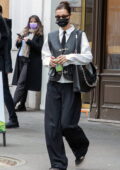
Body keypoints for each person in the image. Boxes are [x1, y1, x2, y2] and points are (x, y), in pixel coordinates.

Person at [42, 1, 93, 170]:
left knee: (67, 124)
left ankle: (81, 145)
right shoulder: (51, 36)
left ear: (70, 16)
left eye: (64, 16)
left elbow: (87, 57)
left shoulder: (79, 35)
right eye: (58, 17)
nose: (61, 19)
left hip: (71, 85)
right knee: (51, 127)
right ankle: (57, 164)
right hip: (54, 84)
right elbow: (44, 56)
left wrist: (69, 58)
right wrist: (50, 61)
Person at [12, 15, 43, 112]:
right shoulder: (25, 32)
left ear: (38, 23)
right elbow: (18, 46)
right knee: (23, 83)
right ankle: (22, 105)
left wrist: (29, 41)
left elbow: (39, 48)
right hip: (21, 58)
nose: (32, 23)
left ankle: (12, 104)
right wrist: (18, 41)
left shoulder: (39, 34)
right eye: (31, 21)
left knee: (21, 83)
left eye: (34, 21)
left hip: (29, 61)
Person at [0, 5, 19, 128]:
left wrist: (7, 67)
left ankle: (13, 119)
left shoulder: (2, 24)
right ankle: (13, 118)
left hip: (0, 64)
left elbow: (5, 47)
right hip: (2, 63)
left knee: (5, 91)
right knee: (5, 91)